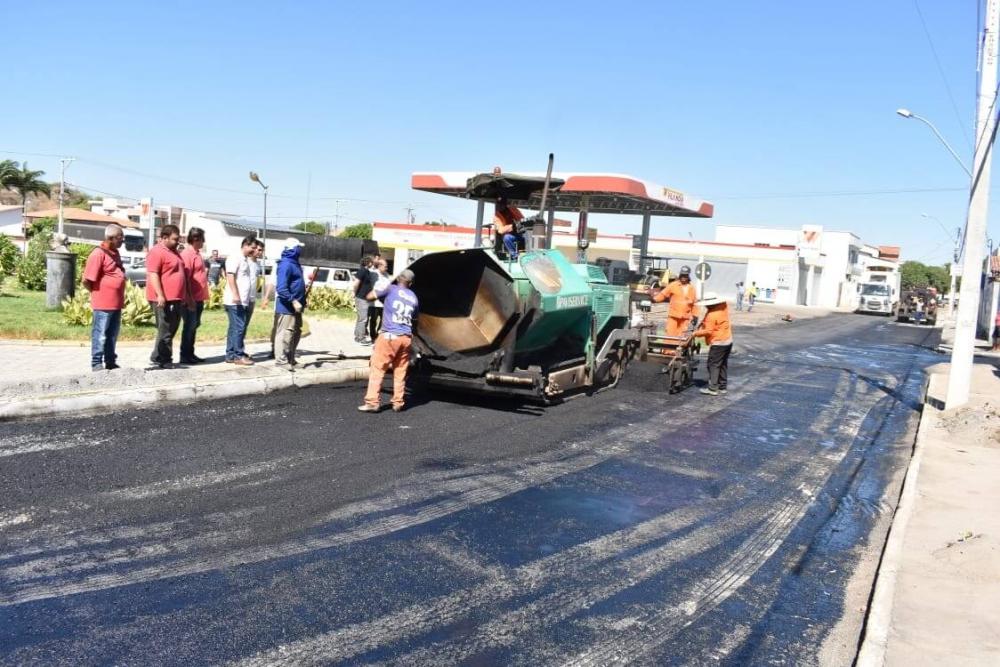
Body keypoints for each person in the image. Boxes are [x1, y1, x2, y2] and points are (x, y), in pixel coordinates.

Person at [359, 269, 419, 413]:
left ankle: (372, 402)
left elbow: (369, 296)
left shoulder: (391, 289)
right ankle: (398, 402)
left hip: (389, 336)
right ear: (410, 283)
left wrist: (381, 292)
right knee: (400, 371)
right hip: (405, 338)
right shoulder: (414, 297)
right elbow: (415, 319)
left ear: (398, 278)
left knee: (378, 368)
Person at [146, 224, 195, 369]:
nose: (177, 242)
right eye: (174, 239)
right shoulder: (157, 252)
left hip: (176, 298)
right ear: (164, 238)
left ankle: (156, 355)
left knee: (171, 328)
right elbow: (153, 274)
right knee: (166, 329)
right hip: (163, 299)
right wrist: (160, 295)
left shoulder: (174, 252)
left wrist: (186, 295)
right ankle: (165, 359)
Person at [82, 224, 126, 371]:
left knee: (112, 335)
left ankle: (110, 361)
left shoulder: (115, 253)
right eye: (120, 237)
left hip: (116, 304)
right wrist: (97, 294)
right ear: (110, 238)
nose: (122, 240)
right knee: (100, 335)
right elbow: (87, 280)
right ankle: (96, 363)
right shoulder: (98, 254)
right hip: (103, 304)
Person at [223, 236, 258, 365]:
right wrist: (236, 294)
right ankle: (238, 355)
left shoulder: (245, 259)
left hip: (242, 300)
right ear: (245, 245)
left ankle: (230, 354)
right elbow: (230, 275)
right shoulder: (235, 257)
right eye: (252, 248)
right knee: (239, 327)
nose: (254, 251)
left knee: (234, 328)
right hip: (235, 300)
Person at [274, 238, 307, 369]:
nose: (300, 250)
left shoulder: (295, 263)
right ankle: (281, 361)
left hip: (297, 306)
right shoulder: (286, 264)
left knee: (295, 332)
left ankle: (290, 359)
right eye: (298, 248)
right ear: (293, 249)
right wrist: (293, 300)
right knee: (284, 333)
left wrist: (303, 300)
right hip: (287, 306)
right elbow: (281, 288)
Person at [693, 292, 733, 396]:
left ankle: (713, 388)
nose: (705, 305)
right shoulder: (723, 307)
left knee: (713, 364)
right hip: (728, 340)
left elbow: (708, 331)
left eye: (707, 304)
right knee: (723, 364)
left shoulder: (712, 315)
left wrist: (695, 333)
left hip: (718, 342)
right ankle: (722, 386)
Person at [179, 227, 209, 364]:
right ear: (196, 239)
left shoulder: (197, 254)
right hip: (191, 298)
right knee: (189, 327)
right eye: (202, 239)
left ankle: (190, 353)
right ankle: (185, 355)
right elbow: (186, 278)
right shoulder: (187, 254)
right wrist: (189, 298)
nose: (204, 242)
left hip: (198, 297)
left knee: (194, 326)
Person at [651, 265, 698, 337]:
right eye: (682, 275)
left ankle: (679, 348)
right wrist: (654, 299)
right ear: (679, 275)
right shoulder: (673, 285)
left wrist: (695, 316)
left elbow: (694, 304)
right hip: (673, 316)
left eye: (685, 275)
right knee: (670, 336)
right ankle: (668, 348)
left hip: (685, 318)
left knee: (682, 337)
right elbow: (663, 294)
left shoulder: (692, 288)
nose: (683, 277)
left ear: (688, 276)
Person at [352, 255, 376, 345]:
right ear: (368, 262)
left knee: (360, 318)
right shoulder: (362, 271)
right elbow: (356, 283)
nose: (372, 264)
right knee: (363, 319)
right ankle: (361, 338)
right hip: (361, 298)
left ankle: (357, 336)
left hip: (363, 298)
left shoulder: (366, 271)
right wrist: (354, 293)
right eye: (371, 262)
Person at [368, 258, 392, 343]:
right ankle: (373, 336)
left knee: (383, 321)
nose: (386, 268)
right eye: (385, 266)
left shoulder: (387, 275)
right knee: (373, 320)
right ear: (380, 266)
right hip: (374, 303)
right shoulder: (373, 274)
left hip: (384, 302)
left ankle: (378, 335)